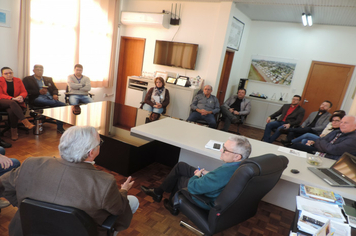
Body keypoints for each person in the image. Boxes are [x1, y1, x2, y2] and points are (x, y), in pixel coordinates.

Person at [0, 126, 139, 236]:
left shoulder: (31, 164)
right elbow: (119, 210)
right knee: (132, 201)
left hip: (26, 230)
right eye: (100, 143)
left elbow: (3, 186)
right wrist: (124, 191)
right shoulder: (105, 182)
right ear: (91, 153)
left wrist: (23, 206)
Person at [141, 136, 251, 215]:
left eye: (225, 149)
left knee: (181, 179)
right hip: (213, 187)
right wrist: (207, 174)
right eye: (223, 146)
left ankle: (172, 205)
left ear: (237, 157)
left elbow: (193, 188)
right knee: (181, 166)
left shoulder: (224, 173)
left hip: (206, 199)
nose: (221, 150)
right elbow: (217, 179)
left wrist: (196, 176)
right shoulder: (238, 166)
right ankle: (158, 192)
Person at [23, 65, 66, 133]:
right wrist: (38, 92)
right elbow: (25, 91)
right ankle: (62, 104)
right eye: (38, 70)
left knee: (60, 107)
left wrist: (55, 94)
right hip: (37, 98)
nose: (40, 71)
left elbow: (55, 89)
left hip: (49, 98)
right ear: (33, 71)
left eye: (41, 70)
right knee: (61, 105)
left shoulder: (48, 79)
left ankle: (60, 128)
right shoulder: (27, 79)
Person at [290, 115, 356, 160]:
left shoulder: (353, 138)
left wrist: (322, 143)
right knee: (296, 146)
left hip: (329, 159)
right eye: (341, 122)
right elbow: (319, 140)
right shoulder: (337, 132)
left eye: (346, 123)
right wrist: (320, 144)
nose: (342, 124)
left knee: (300, 145)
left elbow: (331, 149)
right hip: (320, 152)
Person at [0, 67, 35, 141]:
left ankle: (14, 131)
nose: (9, 75)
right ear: (2, 74)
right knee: (12, 102)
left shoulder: (18, 80)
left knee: (11, 110)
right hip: (2, 102)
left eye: (10, 73)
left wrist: (21, 97)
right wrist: (12, 98)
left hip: (15, 104)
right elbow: (0, 94)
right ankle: (25, 122)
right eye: (6, 74)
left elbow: (24, 91)